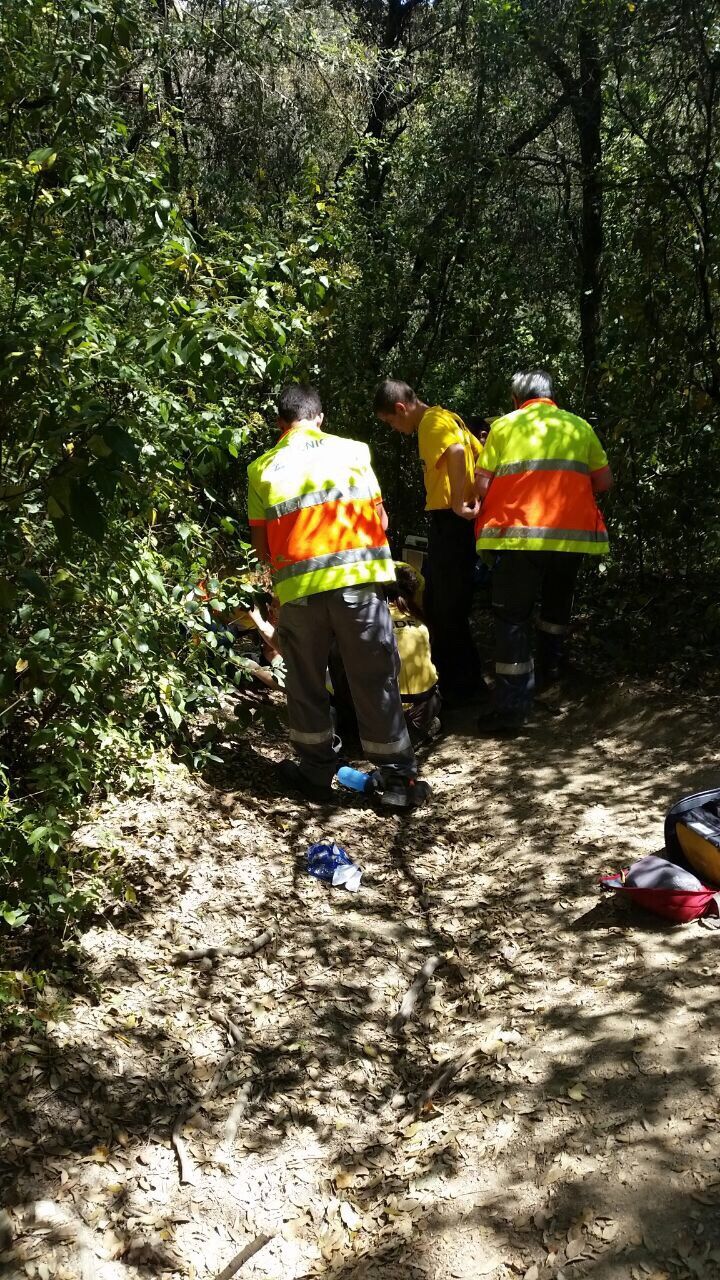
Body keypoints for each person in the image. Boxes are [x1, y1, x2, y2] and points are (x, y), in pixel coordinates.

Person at [247, 383, 430, 809]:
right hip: (358, 587)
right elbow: (380, 518)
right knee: (374, 678)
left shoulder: (262, 467)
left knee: (306, 684)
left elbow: (262, 545)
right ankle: (399, 781)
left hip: (299, 594)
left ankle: (314, 772)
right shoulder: (354, 452)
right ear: (320, 417)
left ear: (281, 423)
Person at [474, 368, 613, 734]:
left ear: (517, 399)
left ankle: (512, 709)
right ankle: (552, 677)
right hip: (571, 540)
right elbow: (605, 481)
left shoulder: (504, 427)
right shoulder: (579, 427)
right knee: (555, 609)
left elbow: (481, 483)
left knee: (512, 618)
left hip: (519, 536)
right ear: (550, 394)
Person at [373, 379, 484, 708]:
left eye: (391, 421)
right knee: (442, 603)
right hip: (451, 524)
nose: (394, 428)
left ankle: (464, 686)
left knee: (445, 607)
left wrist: (459, 504)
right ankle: (460, 682)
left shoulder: (430, 423)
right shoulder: (447, 418)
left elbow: (459, 451)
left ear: (400, 408)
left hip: (450, 523)